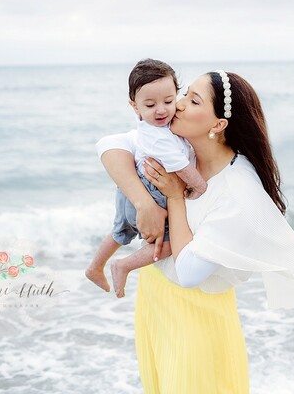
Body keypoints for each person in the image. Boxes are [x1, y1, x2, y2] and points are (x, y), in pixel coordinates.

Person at [96, 68, 294, 393]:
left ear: (217, 125)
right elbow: (110, 145)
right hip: (155, 301)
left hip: (196, 318)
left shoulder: (238, 191)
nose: (178, 104)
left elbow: (190, 272)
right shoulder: (181, 149)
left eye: (193, 100)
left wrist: (175, 196)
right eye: (184, 93)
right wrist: (142, 202)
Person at [86, 59, 207, 298]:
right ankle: (124, 265)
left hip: (129, 190)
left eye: (169, 101)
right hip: (153, 192)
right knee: (173, 243)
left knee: (120, 232)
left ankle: (94, 266)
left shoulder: (153, 126)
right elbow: (181, 167)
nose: (161, 110)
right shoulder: (158, 136)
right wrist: (199, 186)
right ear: (135, 106)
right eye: (150, 105)